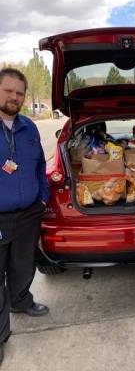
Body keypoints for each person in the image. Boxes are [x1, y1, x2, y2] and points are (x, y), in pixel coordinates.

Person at [0, 68, 50, 365]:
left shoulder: (29, 127)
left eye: (19, 93)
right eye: (8, 91)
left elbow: (40, 165)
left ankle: (21, 301)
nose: (14, 97)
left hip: (29, 212)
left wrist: (42, 198)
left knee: (23, 265)